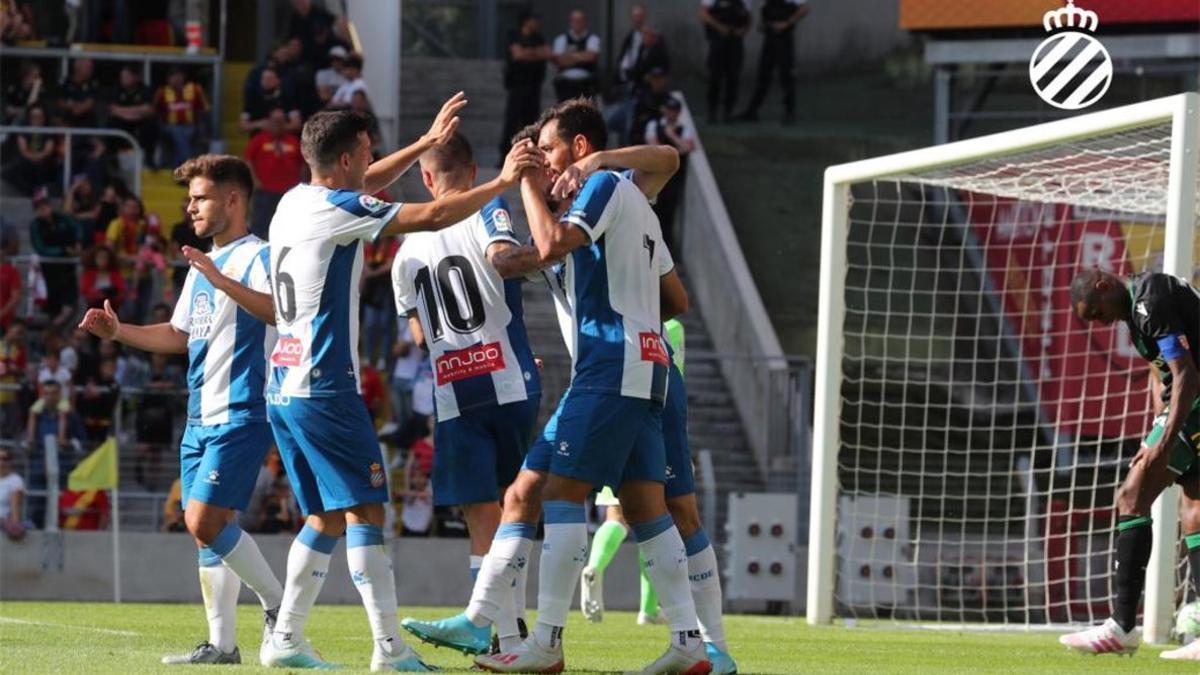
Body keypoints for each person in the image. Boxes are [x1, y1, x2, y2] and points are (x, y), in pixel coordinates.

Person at [205, 96, 540, 670]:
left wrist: (420, 142)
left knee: (324, 517)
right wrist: (505, 180)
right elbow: (433, 215)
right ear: (343, 160)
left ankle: (285, 636)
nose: (372, 161)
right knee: (367, 513)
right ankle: (390, 651)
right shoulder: (339, 207)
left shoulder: (294, 202)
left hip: (284, 384)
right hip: (325, 386)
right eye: (365, 152)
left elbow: (368, 184)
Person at [79, 154, 285, 666]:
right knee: (205, 534)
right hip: (199, 413)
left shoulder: (261, 257)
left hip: (244, 406)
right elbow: (178, 335)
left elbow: (281, 311)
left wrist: (219, 279)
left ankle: (281, 605)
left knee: (203, 519)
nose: (189, 207)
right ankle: (223, 646)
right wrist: (119, 331)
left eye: (201, 197)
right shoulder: (199, 268)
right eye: (189, 198)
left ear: (233, 199)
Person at [391, 132, 542, 651]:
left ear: (427, 180)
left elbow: (416, 334)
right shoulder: (488, 210)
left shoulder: (405, 248)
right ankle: (515, 632)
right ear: (474, 172)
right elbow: (503, 257)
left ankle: (503, 634)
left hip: (456, 388)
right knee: (515, 503)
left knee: (481, 510)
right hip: (509, 375)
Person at [1060, 269, 1200, 661]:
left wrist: (1163, 442)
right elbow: (1163, 373)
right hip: (1188, 407)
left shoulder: (1150, 300)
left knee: (1130, 496)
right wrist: (1157, 426)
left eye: (1097, 313)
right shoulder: (1138, 312)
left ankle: (1121, 625)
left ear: (1104, 285)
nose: (1101, 323)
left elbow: (1185, 375)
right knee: (1194, 514)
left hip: (1195, 404)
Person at [736, 0, 809, 125]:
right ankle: (752, 111)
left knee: (786, 75)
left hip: (784, 39)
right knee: (763, 75)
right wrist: (763, 23)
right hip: (769, 38)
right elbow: (765, 9)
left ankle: (789, 112)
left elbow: (804, 9)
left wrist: (787, 23)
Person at [644, 97, 695, 254]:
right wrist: (674, 150)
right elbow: (654, 148)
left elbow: (687, 147)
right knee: (653, 212)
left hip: (673, 179)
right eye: (668, 109)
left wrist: (671, 135)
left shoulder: (683, 129)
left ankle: (666, 251)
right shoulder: (654, 125)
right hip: (655, 177)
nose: (671, 113)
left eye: (674, 110)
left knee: (669, 214)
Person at [245, 107, 305, 240]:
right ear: (269, 122)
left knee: (288, 228)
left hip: (288, 194)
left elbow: (302, 165)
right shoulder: (259, 140)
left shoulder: (294, 142)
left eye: (280, 121)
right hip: (265, 191)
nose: (277, 124)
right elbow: (248, 161)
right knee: (259, 228)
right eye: (275, 121)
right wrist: (254, 181)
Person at [499, 12, 550, 161]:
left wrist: (528, 53)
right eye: (534, 20)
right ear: (527, 22)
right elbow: (518, 55)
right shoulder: (514, 35)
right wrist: (535, 54)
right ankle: (505, 156)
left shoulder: (539, 38)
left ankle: (530, 155)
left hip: (534, 85)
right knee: (512, 121)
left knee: (532, 122)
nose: (537, 24)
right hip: (517, 86)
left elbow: (547, 53)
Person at [29, 187, 79, 327]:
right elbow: (41, 248)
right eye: (40, 207)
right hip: (48, 272)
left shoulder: (62, 219)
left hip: (67, 271)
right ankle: (51, 334)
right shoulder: (36, 226)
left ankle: (52, 331)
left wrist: (78, 243)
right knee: (53, 309)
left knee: (70, 306)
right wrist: (63, 251)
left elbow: (76, 227)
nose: (44, 209)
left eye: (45, 205)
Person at [699, 0, 750, 124]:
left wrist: (742, 30)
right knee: (715, 77)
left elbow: (748, 17)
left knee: (733, 78)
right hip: (718, 42)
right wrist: (719, 27)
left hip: (735, 43)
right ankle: (712, 111)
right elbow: (703, 14)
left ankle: (728, 112)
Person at [155, 67, 210, 170]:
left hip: (191, 126)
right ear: (168, 79)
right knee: (179, 132)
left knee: (183, 133)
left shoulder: (195, 89)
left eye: (178, 76)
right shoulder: (162, 92)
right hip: (169, 127)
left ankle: (181, 168)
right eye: (173, 76)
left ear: (183, 77)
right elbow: (155, 111)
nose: (176, 79)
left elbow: (204, 110)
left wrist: (202, 127)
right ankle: (186, 166)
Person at [3, 104, 59, 195]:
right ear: (29, 118)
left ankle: (37, 191)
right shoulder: (24, 130)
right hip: (28, 161)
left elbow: (48, 150)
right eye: (34, 117)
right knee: (16, 169)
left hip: (44, 162)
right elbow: (24, 150)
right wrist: (33, 157)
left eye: (40, 117)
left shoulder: (49, 130)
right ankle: (33, 192)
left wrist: (38, 157)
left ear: (44, 118)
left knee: (44, 169)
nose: (37, 120)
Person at [108, 65, 159, 167]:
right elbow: (113, 110)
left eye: (126, 76)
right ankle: (112, 159)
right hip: (123, 122)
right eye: (122, 77)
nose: (123, 79)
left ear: (135, 77)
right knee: (112, 123)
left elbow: (148, 110)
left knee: (151, 125)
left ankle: (150, 159)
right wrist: (137, 111)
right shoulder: (117, 89)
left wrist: (123, 111)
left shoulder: (144, 89)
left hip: (140, 122)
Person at [551, 11, 600, 102]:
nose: (577, 23)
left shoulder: (593, 38)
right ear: (570, 22)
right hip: (565, 83)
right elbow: (559, 60)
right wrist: (582, 55)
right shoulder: (561, 39)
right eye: (575, 20)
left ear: (585, 22)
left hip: (586, 82)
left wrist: (569, 55)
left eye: (580, 20)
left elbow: (591, 57)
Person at [240, 66, 301, 137]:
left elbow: (297, 124)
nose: (266, 81)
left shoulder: (287, 99)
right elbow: (243, 126)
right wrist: (259, 124)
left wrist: (278, 127)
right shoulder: (253, 99)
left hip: (283, 141)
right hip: (259, 141)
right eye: (263, 78)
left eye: (270, 78)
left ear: (278, 80)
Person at [0, 448, 29, 541]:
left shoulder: (15, 480)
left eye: (5, 459)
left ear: (10, 461)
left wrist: (15, 524)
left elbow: (15, 506)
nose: (1, 462)